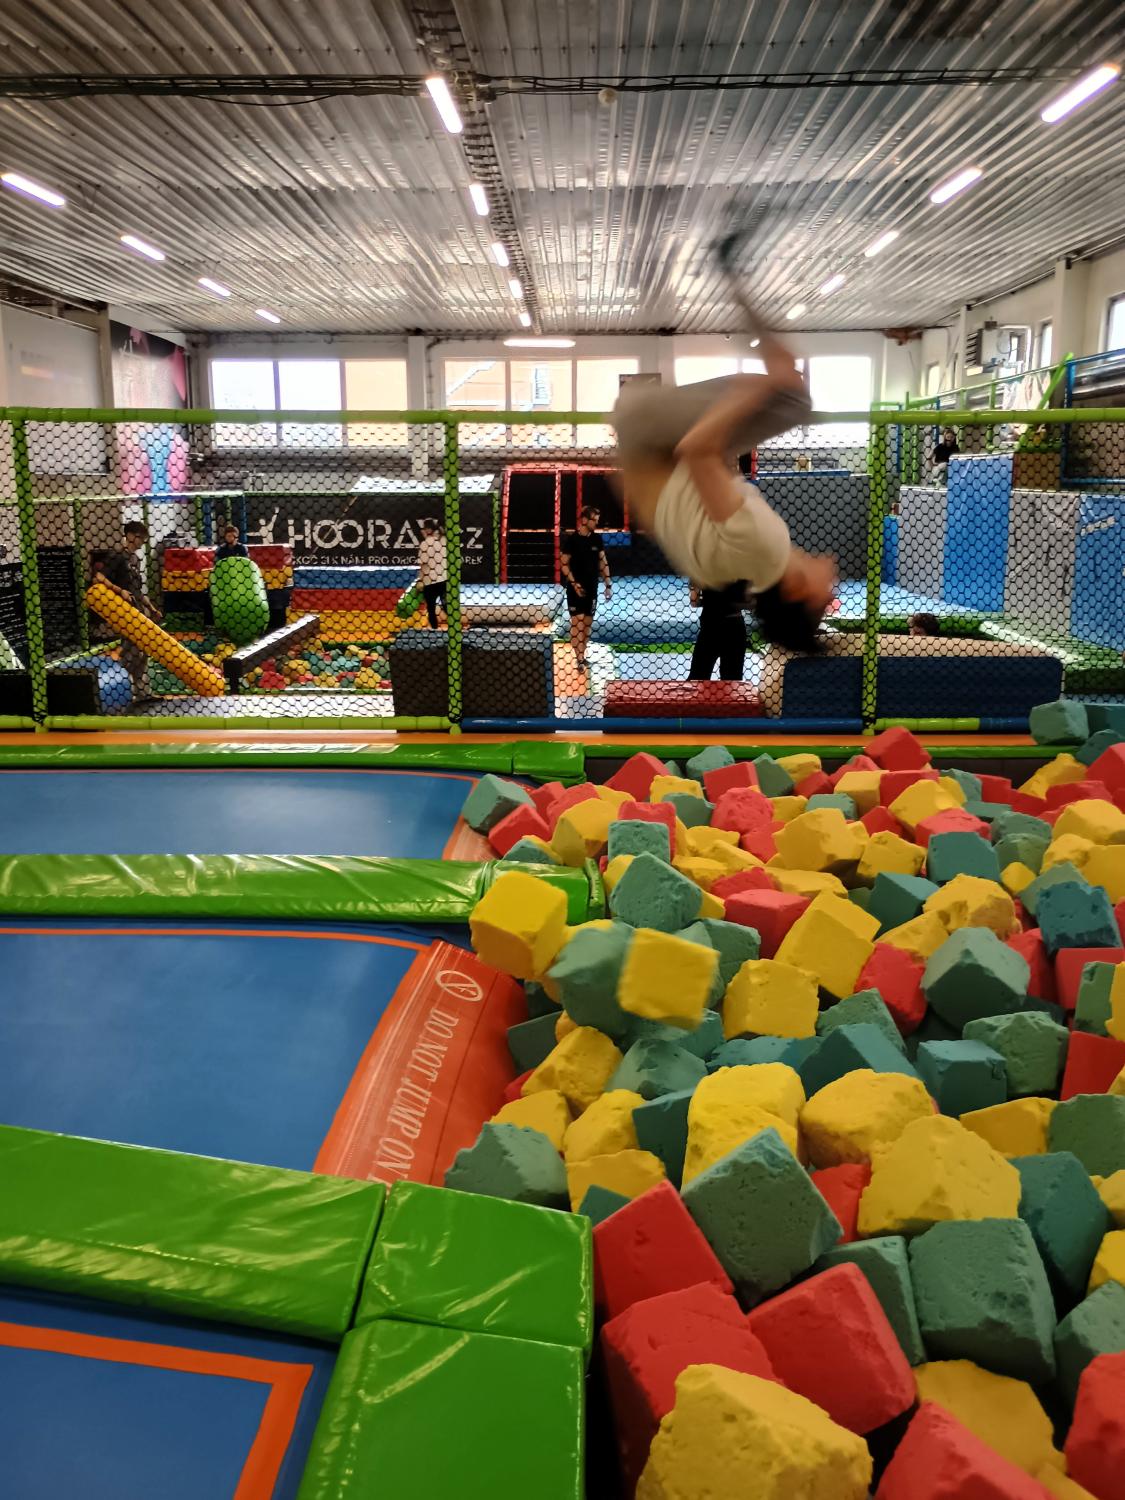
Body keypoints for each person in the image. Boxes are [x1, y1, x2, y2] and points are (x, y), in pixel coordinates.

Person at [611, 324, 835, 654]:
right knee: (788, 398)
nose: (831, 591)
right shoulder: (731, 571)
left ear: (797, 592)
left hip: (650, 433)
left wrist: (760, 389)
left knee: (793, 400)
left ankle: (762, 346)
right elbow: (692, 486)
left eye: (823, 598)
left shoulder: (767, 545)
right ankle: (762, 343)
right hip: (645, 447)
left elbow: (695, 450)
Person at [98, 520, 161, 695]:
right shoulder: (117, 556)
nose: (141, 542)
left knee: (143, 649)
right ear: (130, 536)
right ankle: (124, 687)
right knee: (132, 650)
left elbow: (137, 591)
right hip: (124, 612)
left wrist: (151, 608)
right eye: (140, 538)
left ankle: (141, 690)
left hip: (137, 610)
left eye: (144, 539)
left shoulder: (135, 559)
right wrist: (120, 591)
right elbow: (99, 577)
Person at [560, 506, 612, 672]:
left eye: (597, 520)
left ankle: (582, 655)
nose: (596, 523)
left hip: (592, 588)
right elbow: (563, 564)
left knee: (587, 625)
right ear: (584, 520)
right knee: (578, 622)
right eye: (593, 520)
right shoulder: (572, 540)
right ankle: (580, 659)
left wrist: (608, 584)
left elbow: (603, 562)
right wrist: (574, 583)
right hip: (575, 589)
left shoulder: (597, 540)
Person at [689, 579, 749, 681]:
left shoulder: (704, 571)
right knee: (731, 682)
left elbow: (694, 602)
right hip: (729, 627)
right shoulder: (739, 569)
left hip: (715, 627)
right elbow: (750, 603)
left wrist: (713, 600)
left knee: (698, 679)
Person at [415, 518, 448, 629]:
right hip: (443, 579)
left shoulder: (425, 544)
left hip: (430, 581)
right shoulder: (441, 542)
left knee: (431, 608)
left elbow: (422, 564)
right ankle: (455, 626)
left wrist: (420, 580)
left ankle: (434, 629)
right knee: (446, 605)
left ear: (427, 530)